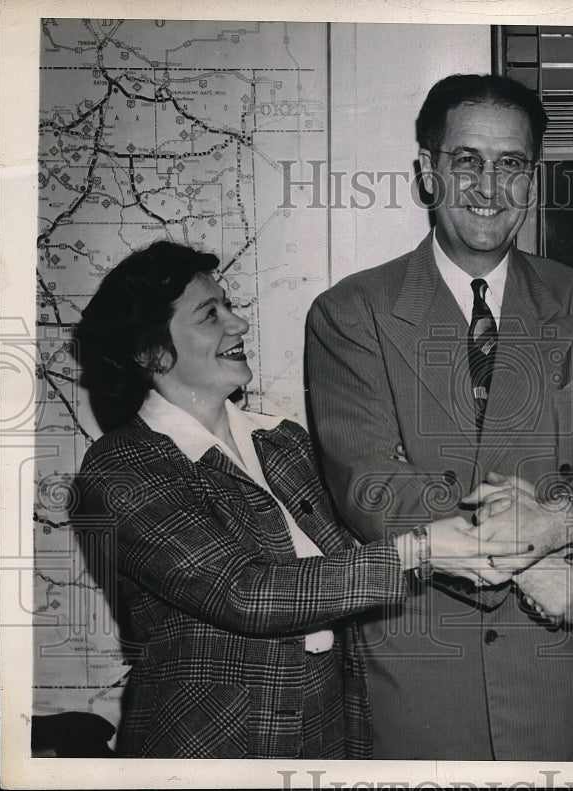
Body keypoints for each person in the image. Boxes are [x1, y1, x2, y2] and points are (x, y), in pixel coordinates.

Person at [305, 73, 573, 760]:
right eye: (467, 161)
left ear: (532, 181)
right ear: (428, 173)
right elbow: (372, 487)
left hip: (557, 669)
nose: (490, 187)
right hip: (422, 676)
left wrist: (558, 519)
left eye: (512, 165)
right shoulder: (353, 313)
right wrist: (526, 556)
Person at [72, 241, 515, 759]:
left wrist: (482, 519)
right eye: (209, 315)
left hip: (327, 727)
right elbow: (246, 593)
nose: (237, 324)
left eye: (229, 305)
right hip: (213, 747)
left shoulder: (282, 443)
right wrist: (418, 549)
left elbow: (362, 545)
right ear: (150, 353)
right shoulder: (123, 467)